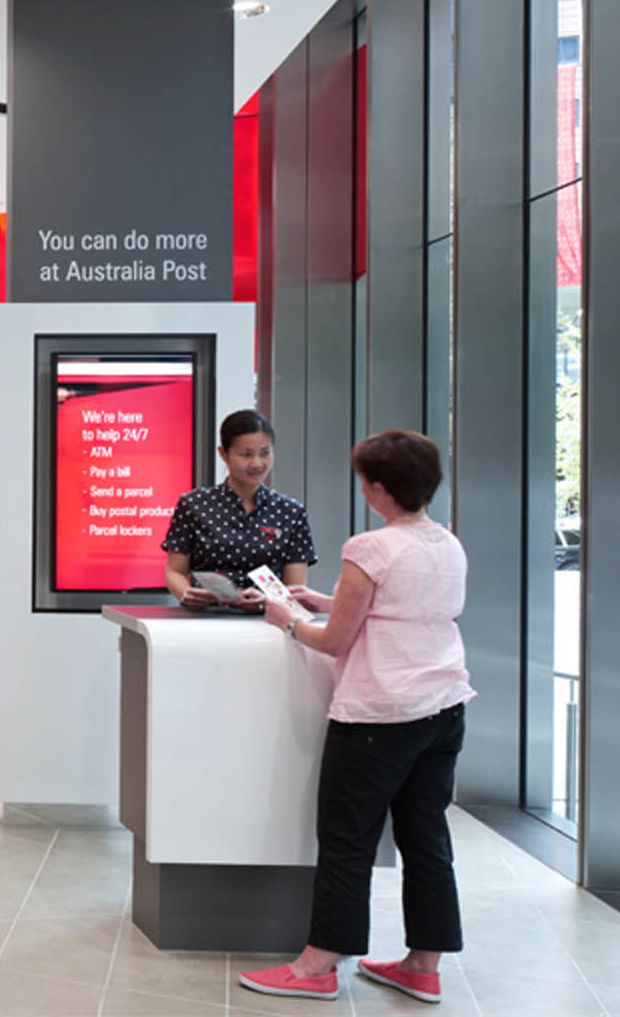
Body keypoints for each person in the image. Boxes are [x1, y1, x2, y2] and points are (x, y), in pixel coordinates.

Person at [238, 430, 473, 1004]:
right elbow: (397, 610)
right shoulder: (447, 543)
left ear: (377, 488)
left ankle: (318, 964)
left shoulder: (370, 548)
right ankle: (423, 964)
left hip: (378, 712)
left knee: (347, 839)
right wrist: (324, 599)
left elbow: (336, 641)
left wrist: (287, 620)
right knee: (426, 836)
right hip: (443, 706)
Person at [162, 409, 315, 613]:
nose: (257, 464)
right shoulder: (194, 504)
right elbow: (175, 571)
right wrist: (186, 593)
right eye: (246, 454)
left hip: (270, 623)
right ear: (223, 453)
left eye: (265, 453)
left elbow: (295, 588)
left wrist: (268, 602)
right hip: (204, 620)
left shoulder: (291, 512)